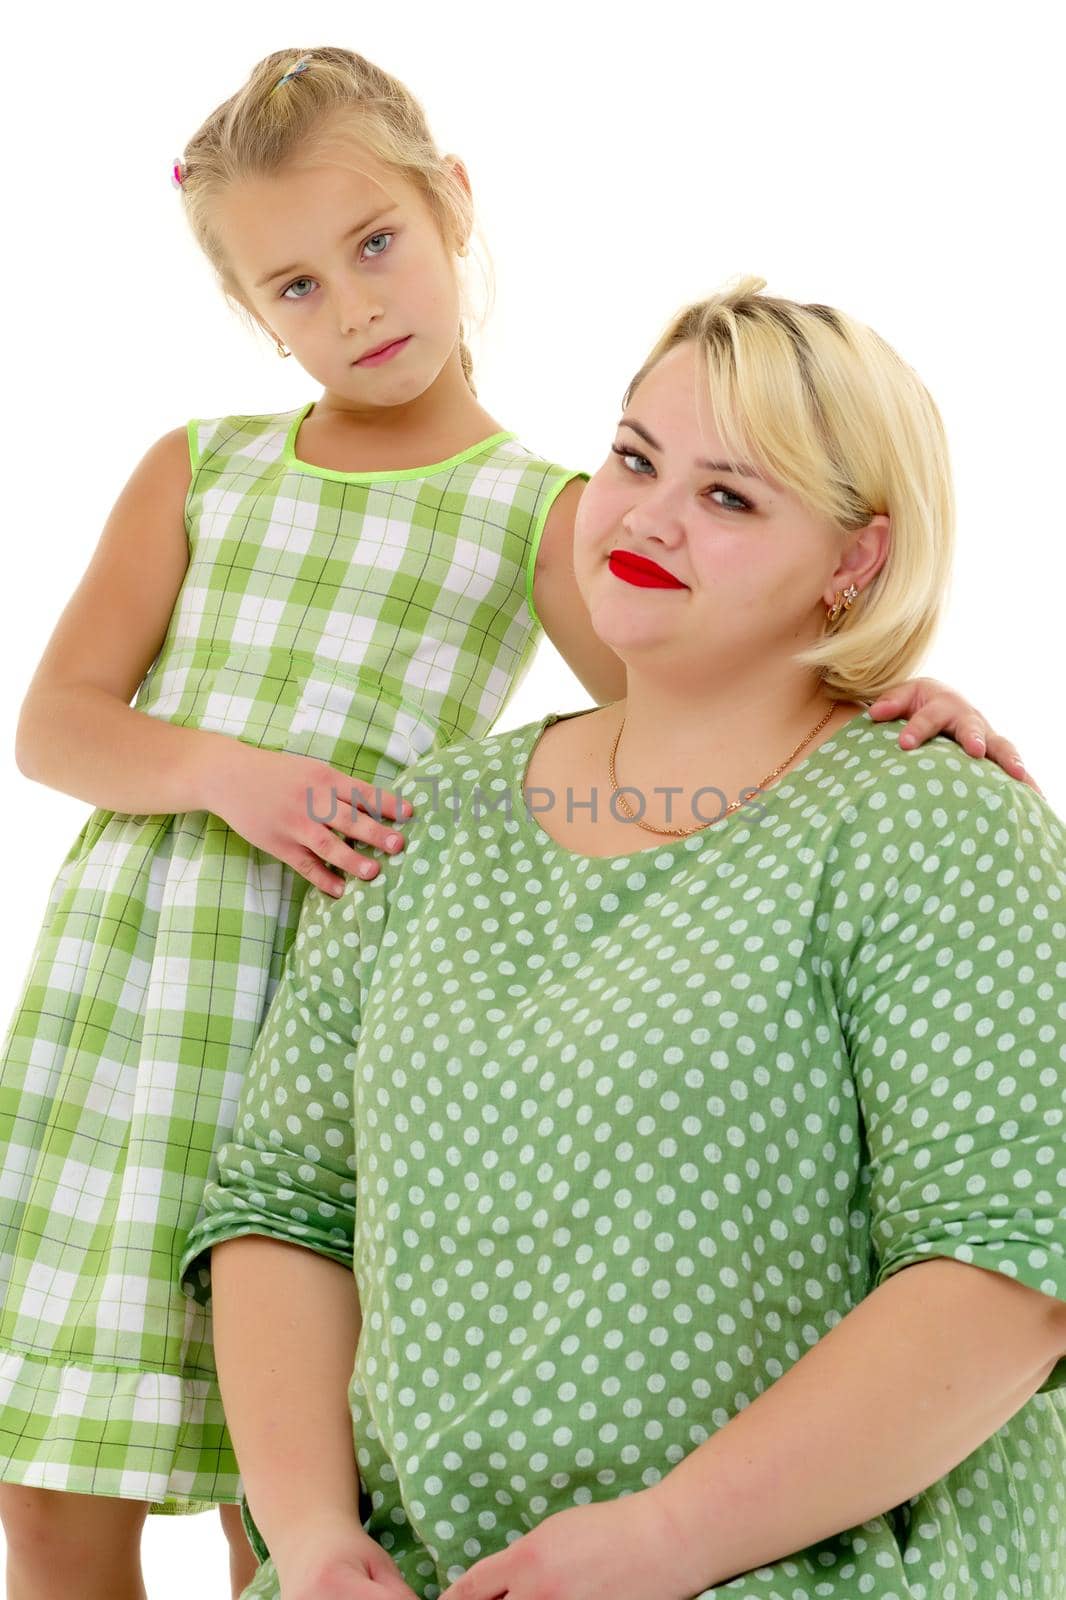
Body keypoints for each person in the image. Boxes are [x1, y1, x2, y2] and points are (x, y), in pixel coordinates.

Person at [0, 42, 1030, 1599]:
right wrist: (232, 772)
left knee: (241, 1477)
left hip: (342, 970)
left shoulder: (560, 532)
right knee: (65, 1472)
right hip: (138, 1008)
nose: (350, 305)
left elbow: (699, 689)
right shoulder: (232, 513)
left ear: (451, 208)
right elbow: (56, 728)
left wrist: (913, 691)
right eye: (636, 460)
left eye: (373, 246)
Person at [179, 277, 1066, 1600]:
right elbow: (286, 1209)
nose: (647, 515)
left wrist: (668, 1539)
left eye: (730, 496)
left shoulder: (929, 827)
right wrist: (307, 1535)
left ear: (856, 561)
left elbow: (1007, 1267)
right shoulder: (423, 819)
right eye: (634, 458)